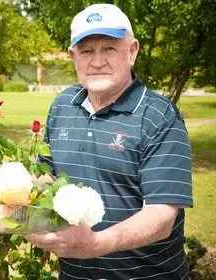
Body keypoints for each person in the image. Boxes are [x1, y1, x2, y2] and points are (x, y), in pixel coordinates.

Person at [27, 4, 193, 280]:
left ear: (132, 51)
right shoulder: (62, 106)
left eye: (109, 48)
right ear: (73, 56)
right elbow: (45, 178)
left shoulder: (158, 115)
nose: (97, 61)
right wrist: (3, 198)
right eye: (87, 50)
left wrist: (95, 245)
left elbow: (161, 217)